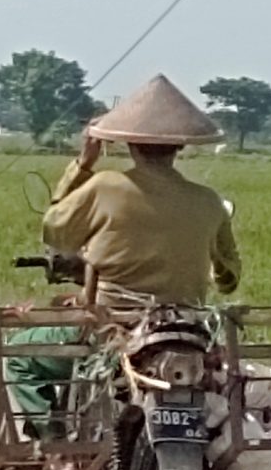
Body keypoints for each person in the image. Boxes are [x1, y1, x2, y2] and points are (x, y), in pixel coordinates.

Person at [42, 74, 241, 311]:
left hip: (113, 322)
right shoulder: (209, 201)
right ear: (180, 145)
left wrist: (83, 164)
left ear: (130, 143)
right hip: (189, 322)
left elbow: (54, 231)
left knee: (34, 333)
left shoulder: (104, 187)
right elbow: (228, 280)